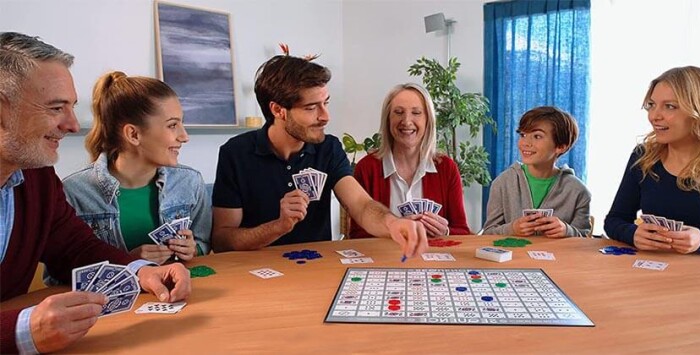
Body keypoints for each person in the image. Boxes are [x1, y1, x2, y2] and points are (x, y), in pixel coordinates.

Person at [0, 32, 191, 354]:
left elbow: (75, 247)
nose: (73, 125)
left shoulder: (39, 178)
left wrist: (142, 273)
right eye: (56, 107)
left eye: (72, 107)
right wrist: (20, 331)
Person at [211, 53, 427, 257]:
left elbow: (361, 205)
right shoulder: (235, 154)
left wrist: (392, 223)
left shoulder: (329, 148)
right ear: (278, 110)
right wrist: (278, 227)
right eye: (311, 107)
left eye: (326, 103)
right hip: (253, 274)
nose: (325, 116)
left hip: (317, 268)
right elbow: (222, 241)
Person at [604, 66, 700, 260]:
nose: (654, 116)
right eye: (651, 105)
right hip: (651, 275)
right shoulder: (642, 156)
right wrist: (632, 234)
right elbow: (614, 220)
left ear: (699, 111)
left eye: (670, 106)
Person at [59, 71, 211, 267]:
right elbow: (56, 277)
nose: (184, 136)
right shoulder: (73, 192)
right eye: (172, 125)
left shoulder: (190, 182)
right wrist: (126, 262)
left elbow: (204, 245)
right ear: (133, 134)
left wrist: (193, 249)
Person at [350, 83, 470, 238]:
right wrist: (391, 229)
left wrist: (445, 232)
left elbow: (463, 232)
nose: (406, 121)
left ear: (428, 120)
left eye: (416, 113)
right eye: (398, 112)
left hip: (433, 260)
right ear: (388, 120)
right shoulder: (366, 169)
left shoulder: (446, 168)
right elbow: (357, 236)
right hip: (384, 260)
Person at [483, 106, 591, 237]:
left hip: (559, 257)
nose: (525, 143)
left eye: (537, 136)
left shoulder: (579, 192)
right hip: (515, 257)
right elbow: (488, 234)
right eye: (523, 135)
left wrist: (567, 231)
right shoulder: (502, 183)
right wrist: (512, 229)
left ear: (561, 146)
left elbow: (584, 240)